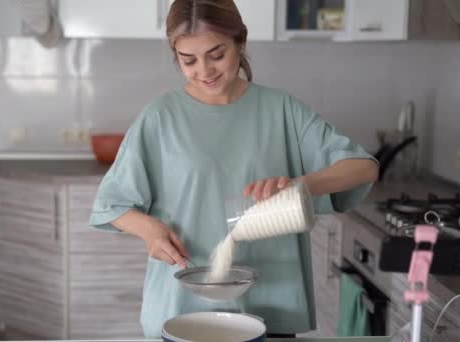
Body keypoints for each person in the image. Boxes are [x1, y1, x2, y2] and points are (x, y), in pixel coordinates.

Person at [89, 0, 379, 338]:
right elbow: (111, 206)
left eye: (217, 54)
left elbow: (363, 168)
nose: (205, 70)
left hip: (270, 308)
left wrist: (302, 185)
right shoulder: (160, 117)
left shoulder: (281, 109)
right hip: (182, 309)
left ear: (240, 43)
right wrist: (150, 230)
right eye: (189, 60)